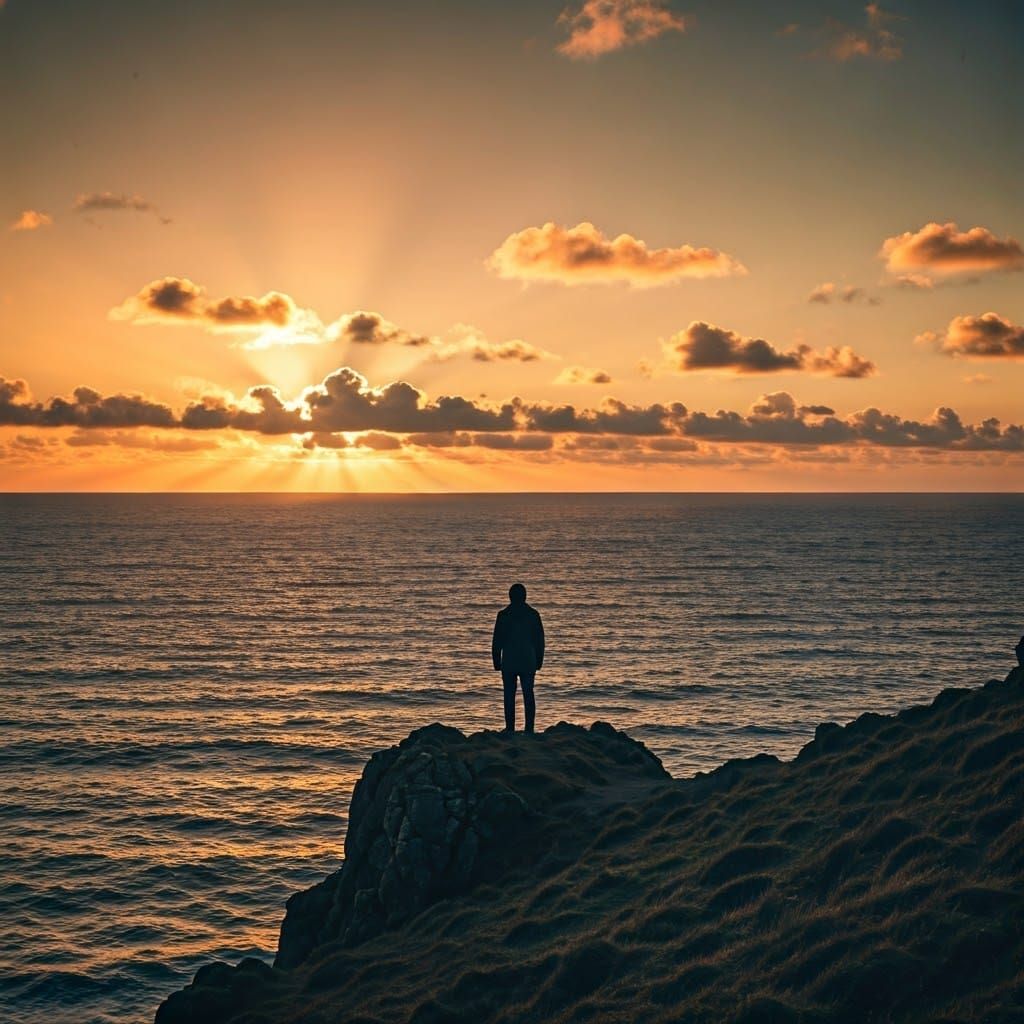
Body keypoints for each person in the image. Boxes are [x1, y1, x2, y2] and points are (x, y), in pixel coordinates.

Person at [492, 583, 545, 733]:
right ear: (525, 596)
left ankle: (510, 729)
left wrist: (496, 661)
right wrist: (539, 660)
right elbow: (539, 641)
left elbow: (497, 641)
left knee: (509, 695)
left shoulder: (503, 615)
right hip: (528, 659)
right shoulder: (533, 614)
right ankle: (529, 729)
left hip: (509, 660)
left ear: (510, 597)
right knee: (528, 694)